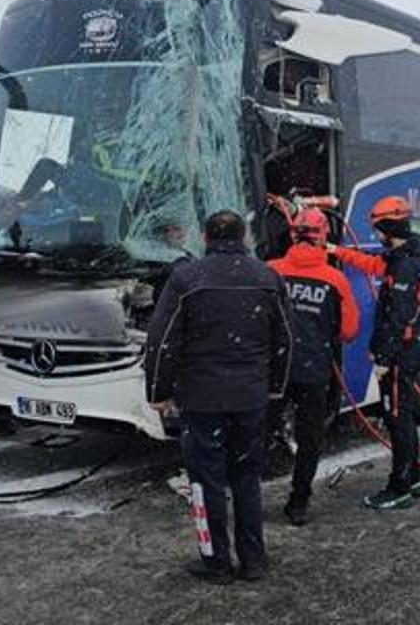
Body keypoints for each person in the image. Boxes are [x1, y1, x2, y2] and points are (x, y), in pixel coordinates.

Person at [145, 210, 293, 584]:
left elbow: (162, 342)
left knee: (205, 481)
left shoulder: (186, 278)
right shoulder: (267, 277)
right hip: (250, 397)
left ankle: (216, 562)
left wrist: (158, 392)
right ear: (244, 237)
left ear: (206, 239)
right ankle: (254, 559)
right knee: (247, 476)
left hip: (201, 399)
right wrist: (275, 385)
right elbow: (286, 341)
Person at [327, 195, 420, 511]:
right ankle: (413, 479)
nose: (375, 234)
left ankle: (399, 488)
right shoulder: (407, 254)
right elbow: (372, 264)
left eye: (377, 228)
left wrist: (383, 359)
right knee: (404, 417)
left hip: (399, 357)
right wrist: (336, 251)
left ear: (388, 226)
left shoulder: (404, 266)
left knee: (397, 419)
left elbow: (399, 318)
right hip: (407, 353)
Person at [266, 208, 359, 526]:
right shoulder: (335, 279)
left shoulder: (270, 271)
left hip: (275, 371)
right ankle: (298, 503)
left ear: (292, 235)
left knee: (258, 434)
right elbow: (348, 331)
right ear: (323, 238)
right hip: (315, 371)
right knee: (310, 439)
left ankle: (247, 497)